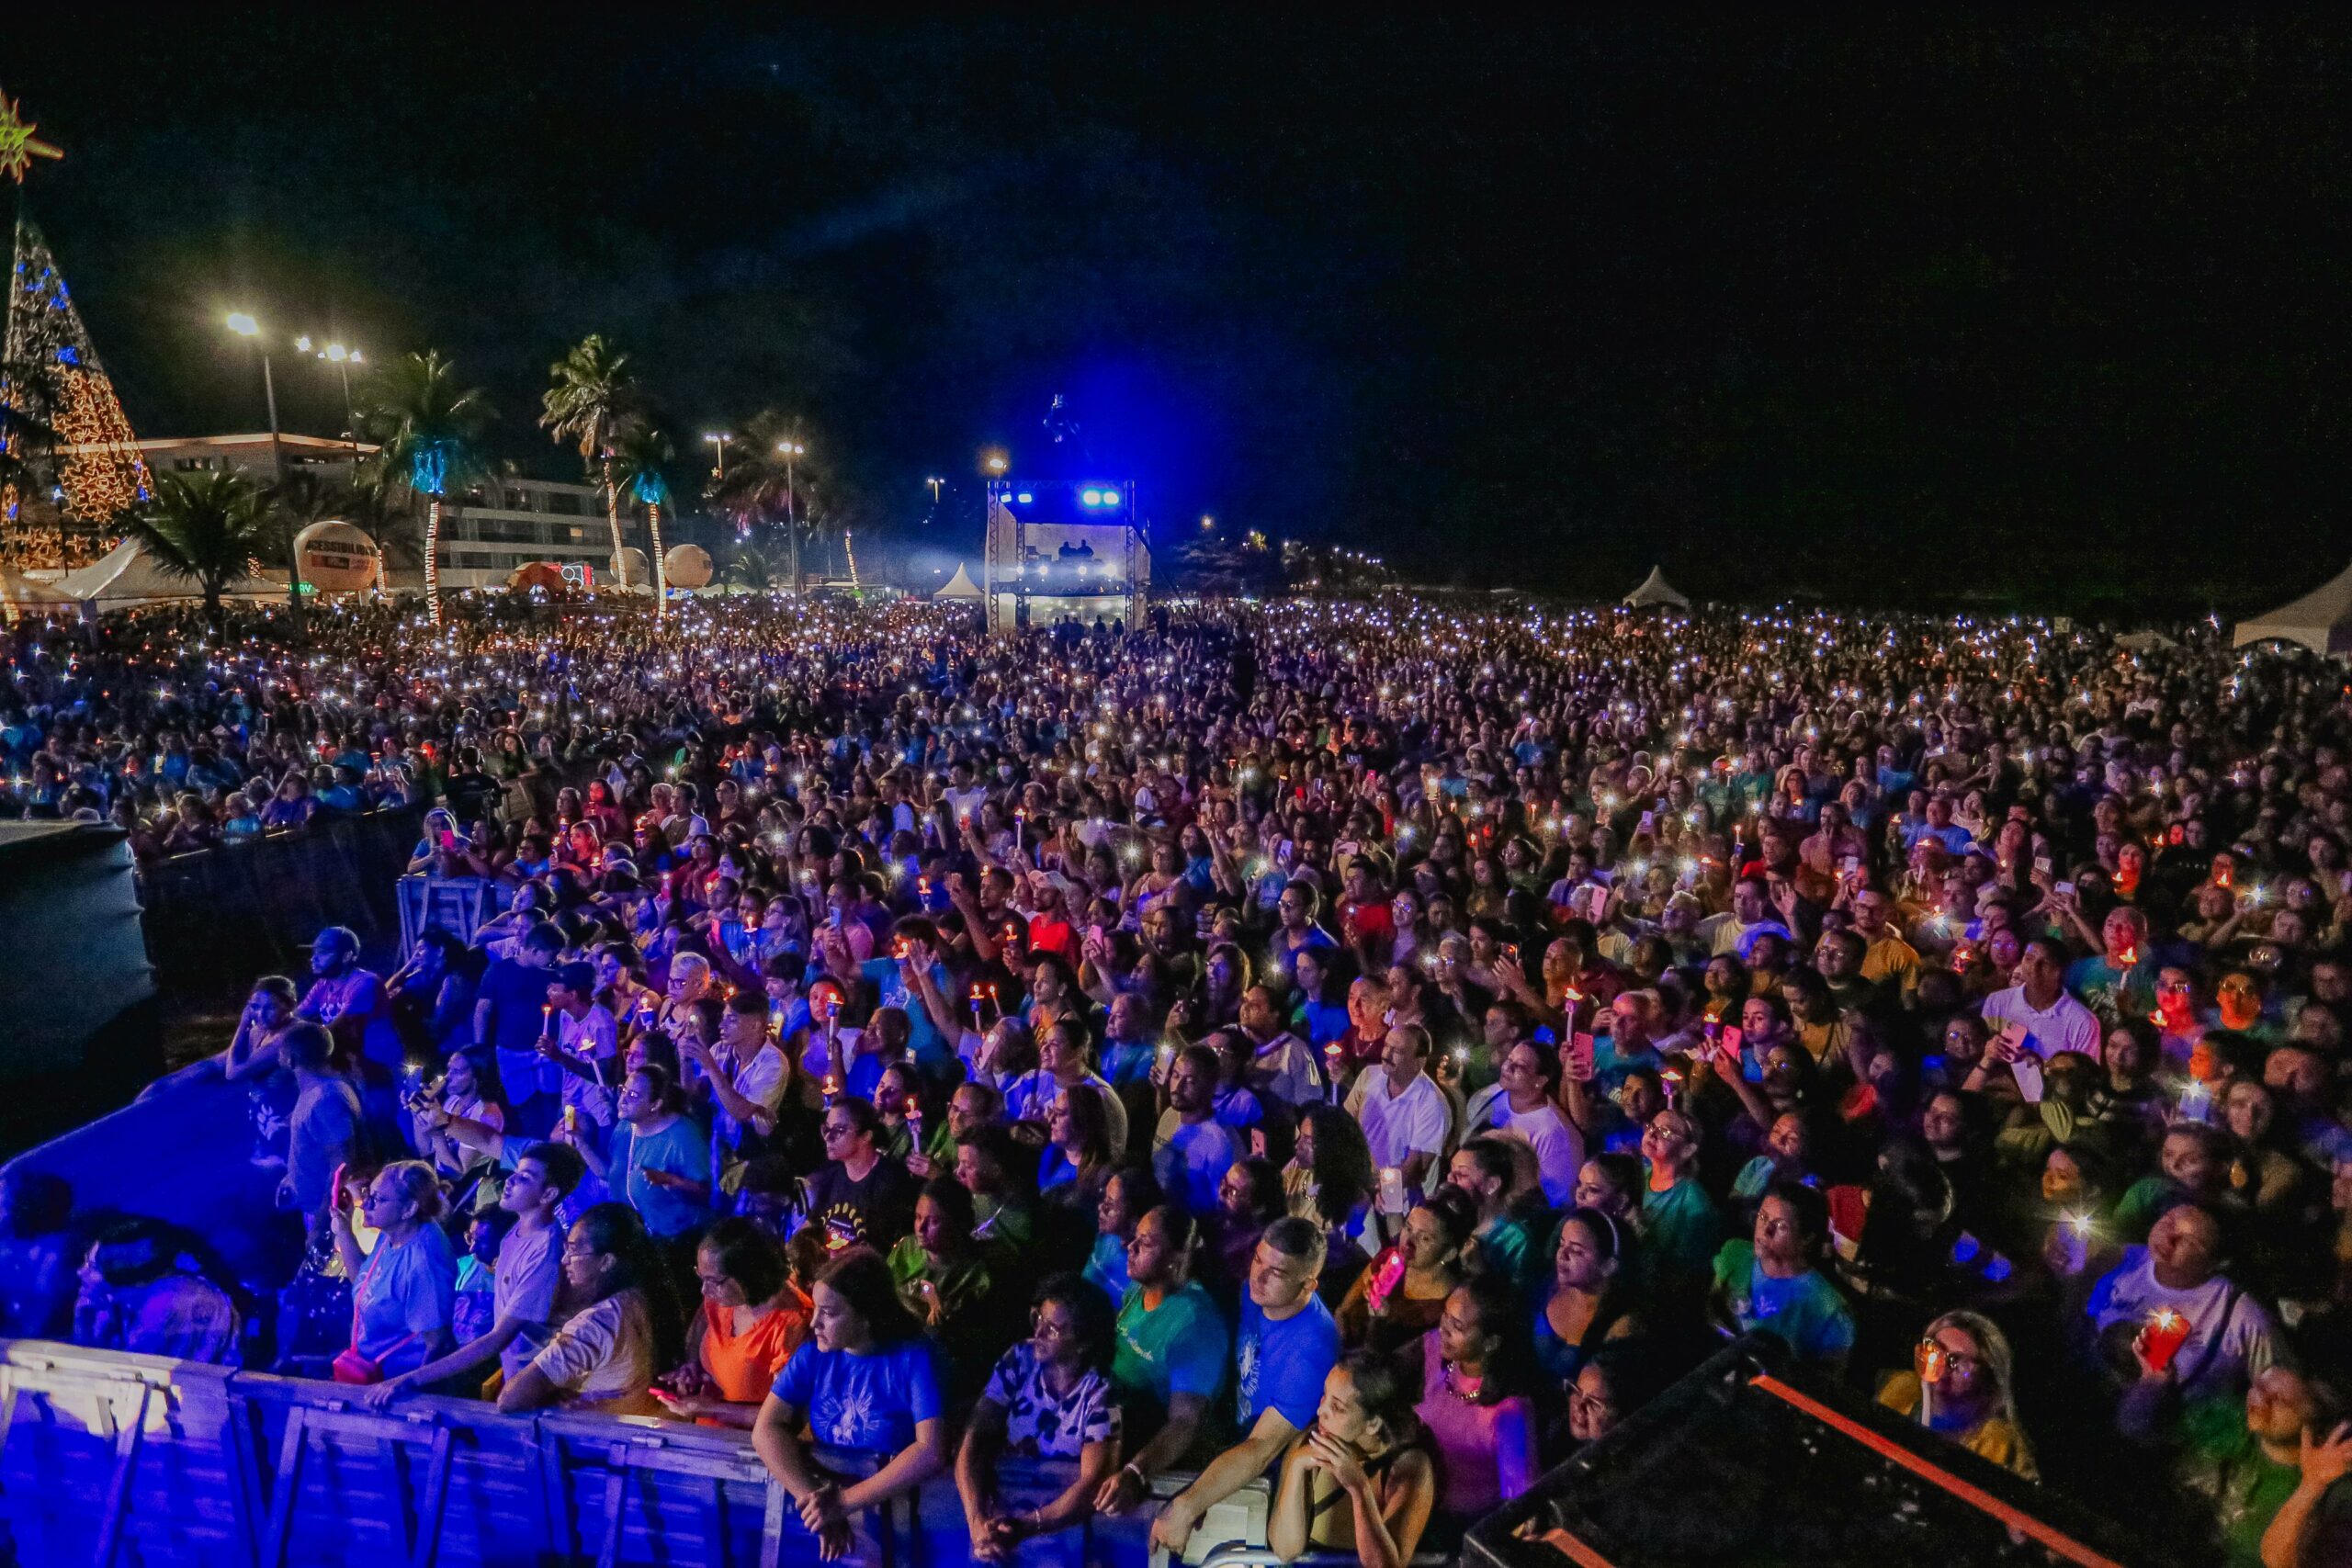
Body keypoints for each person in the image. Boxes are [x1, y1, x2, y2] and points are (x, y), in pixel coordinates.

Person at [1151, 1217, 1340, 1558]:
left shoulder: (1312, 1350)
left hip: (1270, 1476)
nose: (1259, 1276)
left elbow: (1263, 1447)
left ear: (1308, 1285)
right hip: (1236, 1437)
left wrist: (1188, 1505)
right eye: (1258, 1259)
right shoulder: (1254, 1294)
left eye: (1277, 1273)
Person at [753, 1247, 949, 1562]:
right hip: (837, 1526)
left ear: (866, 1316)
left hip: (906, 1523)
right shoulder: (812, 1356)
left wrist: (845, 1502)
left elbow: (931, 1449)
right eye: (815, 1308)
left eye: (829, 1313)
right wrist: (815, 1504)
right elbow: (765, 1429)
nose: (814, 1322)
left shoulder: (914, 1357)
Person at [364, 1142, 583, 1407]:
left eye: (525, 1178)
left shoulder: (545, 1251)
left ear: (548, 1194)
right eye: (515, 1171)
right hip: (518, 1373)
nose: (511, 1180)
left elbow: (499, 1337)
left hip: (541, 1386)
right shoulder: (517, 1232)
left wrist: (410, 1379)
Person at [955, 1273, 1123, 1562]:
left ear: (1083, 1344)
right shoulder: (1019, 1359)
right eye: (1038, 1320)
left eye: (1053, 1329)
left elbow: (1093, 1482)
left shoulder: (1103, 1394)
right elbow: (974, 1439)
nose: (1039, 1334)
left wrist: (1027, 1525)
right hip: (1001, 1519)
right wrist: (976, 1521)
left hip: (1066, 1533)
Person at [1096, 1205, 1229, 1517]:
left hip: (1149, 1436)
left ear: (1175, 1259)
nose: (1130, 1247)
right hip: (1117, 1414)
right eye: (1134, 1238)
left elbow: (1185, 1421)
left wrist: (1135, 1472)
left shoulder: (1195, 1324)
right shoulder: (1137, 1290)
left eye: (1146, 1242)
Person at [2092, 1201, 2277, 1412]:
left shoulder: (2242, 1315)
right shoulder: (2122, 1260)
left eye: (2190, 1241)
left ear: (2215, 1262)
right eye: (2168, 1221)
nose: (2169, 1239)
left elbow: (2272, 1391)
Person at [498, 1201, 673, 1416]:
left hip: (596, 1443)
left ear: (606, 1261)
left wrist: (549, 1391)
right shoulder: (641, 1299)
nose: (565, 1261)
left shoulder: (597, 1322)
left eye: (573, 1250)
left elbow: (511, 1399)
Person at [1265, 1350, 1438, 1568]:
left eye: (1337, 1407)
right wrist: (1297, 1467)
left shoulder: (1409, 1467)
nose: (1321, 1411)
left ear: (1373, 1423)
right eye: (1324, 1396)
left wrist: (1359, 1488)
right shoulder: (1307, 1444)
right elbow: (1285, 1550)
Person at [650, 1217, 811, 1428]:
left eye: (713, 1281)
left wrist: (709, 1409)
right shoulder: (720, 1298)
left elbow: (786, 1417)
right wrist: (693, 1368)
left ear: (749, 1275)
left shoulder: (791, 1324)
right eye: (701, 1277)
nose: (704, 1290)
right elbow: (699, 1331)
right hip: (709, 1434)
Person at [1416, 1276, 1535, 1524]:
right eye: (1445, 1315)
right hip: (1413, 1499)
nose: (1443, 1328)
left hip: (1455, 1526)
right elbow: (1380, 1377)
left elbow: (1522, 1511)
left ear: (1490, 1343)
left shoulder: (1509, 1414)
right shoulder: (1435, 1349)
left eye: (1457, 1326)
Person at [1710, 1179, 1855, 1375]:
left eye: (1781, 1226)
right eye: (1762, 1216)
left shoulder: (1828, 1308)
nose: (1765, 1230)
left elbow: (1826, 1381)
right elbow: (1712, 1314)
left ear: (1806, 1239)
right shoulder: (1734, 1256)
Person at [333, 1160, 457, 1383]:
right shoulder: (393, 1234)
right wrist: (343, 1229)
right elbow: (363, 1281)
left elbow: (437, 1344)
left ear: (409, 1208)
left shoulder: (423, 1263)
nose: (364, 1204)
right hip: (371, 1371)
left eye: (378, 1199)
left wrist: (408, 1389)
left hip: (394, 1387)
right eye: (367, 1193)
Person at [1874, 1309, 2038, 1478]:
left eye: (1956, 1361)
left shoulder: (1998, 1443)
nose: (1940, 1366)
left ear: (1986, 1376)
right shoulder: (1898, 1388)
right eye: (1935, 1350)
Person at [71, 1218, 242, 1365]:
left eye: (95, 1266)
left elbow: (131, 1376)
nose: (82, 1272)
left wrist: (85, 1323)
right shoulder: (132, 1305)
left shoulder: (171, 1301)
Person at [1335, 1187, 1475, 1359]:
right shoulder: (1390, 1258)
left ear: (1449, 1253)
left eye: (1424, 1238)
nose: (1408, 1242)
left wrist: (1378, 1321)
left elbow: (1393, 1364)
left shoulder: (1443, 1309)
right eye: (1408, 1228)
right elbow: (1344, 1309)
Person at [577, 1063, 711, 1243]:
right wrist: (580, 1142)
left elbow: (705, 1194)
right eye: (624, 1090)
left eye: (633, 1095)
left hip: (673, 1241)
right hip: (634, 1236)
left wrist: (672, 1181)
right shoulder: (626, 1126)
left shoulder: (683, 1137)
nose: (623, 1099)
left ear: (655, 1105)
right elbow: (610, 1174)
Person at [1346, 1023, 1452, 1202]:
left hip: (1402, 1198)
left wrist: (1380, 1189)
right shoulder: (1369, 1076)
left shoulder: (1432, 1102)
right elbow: (1346, 1124)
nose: (1386, 1055)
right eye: (1387, 1046)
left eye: (1398, 1051)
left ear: (1419, 1062)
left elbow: (1415, 1167)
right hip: (1360, 1186)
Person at [801, 1096, 920, 1254]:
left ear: (866, 1137)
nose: (828, 1138)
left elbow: (894, 1249)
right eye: (826, 1129)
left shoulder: (891, 1183)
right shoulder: (830, 1177)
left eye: (839, 1130)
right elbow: (810, 1228)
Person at [1153, 1043, 1242, 1217]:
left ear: (1211, 1087)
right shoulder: (1169, 1115)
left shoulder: (1221, 1143)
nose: (1177, 1087)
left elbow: (1225, 1209)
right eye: (1176, 1076)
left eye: (1190, 1082)